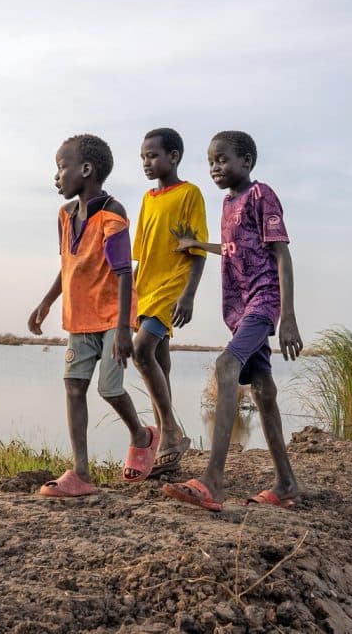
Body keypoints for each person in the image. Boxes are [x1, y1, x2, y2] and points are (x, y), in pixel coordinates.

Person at [163, 130, 303, 511]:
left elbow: (281, 254)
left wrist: (287, 316)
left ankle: (213, 480)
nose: (215, 167)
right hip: (239, 311)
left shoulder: (262, 195)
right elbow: (232, 249)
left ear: (247, 162)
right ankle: (287, 483)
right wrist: (194, 245)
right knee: (262, 389)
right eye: (210, 162)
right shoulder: (227, 205)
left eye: (222, 160)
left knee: (226, 365)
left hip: (262, 302)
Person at [28, 134, 159, 497]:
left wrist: (122, 331)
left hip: (112, 319)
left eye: (62, 167)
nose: (57, 176)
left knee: (108, 387)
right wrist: (47, 302)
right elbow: (68, 265)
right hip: (79, 318)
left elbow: (123, 272)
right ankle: (81, 473)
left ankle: (141, 434)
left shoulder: (112, 214)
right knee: (73, 387)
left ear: (86, 170)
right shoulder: (65, 215)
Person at [132, 127, 208, 475]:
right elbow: (141, 252)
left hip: (171, 285)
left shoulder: (190, 193)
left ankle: (171, 432)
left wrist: (188, 294)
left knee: (141, 349)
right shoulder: (148, 199)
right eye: (143, 157)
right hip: (146, 287)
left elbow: (197, 249)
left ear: (173, 156)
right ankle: (169, 439)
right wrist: (132, 293)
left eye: (152, 155)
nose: (146, 163)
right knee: (159, 360)